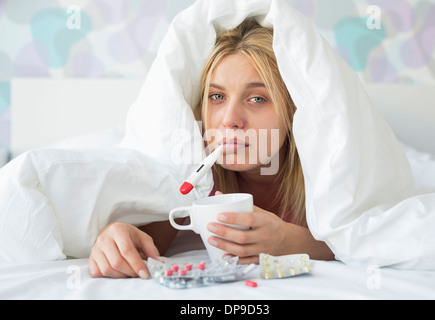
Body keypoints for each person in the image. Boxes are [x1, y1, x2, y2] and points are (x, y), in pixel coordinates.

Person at [89, 19, 334, 279]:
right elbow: (145, 245)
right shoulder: (196, 175)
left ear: (293, 110)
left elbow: (362, 238)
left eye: (257, 98)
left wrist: (290, 242)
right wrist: (114, 237)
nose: (230, 119)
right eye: (217, 96)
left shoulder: (325, 170)